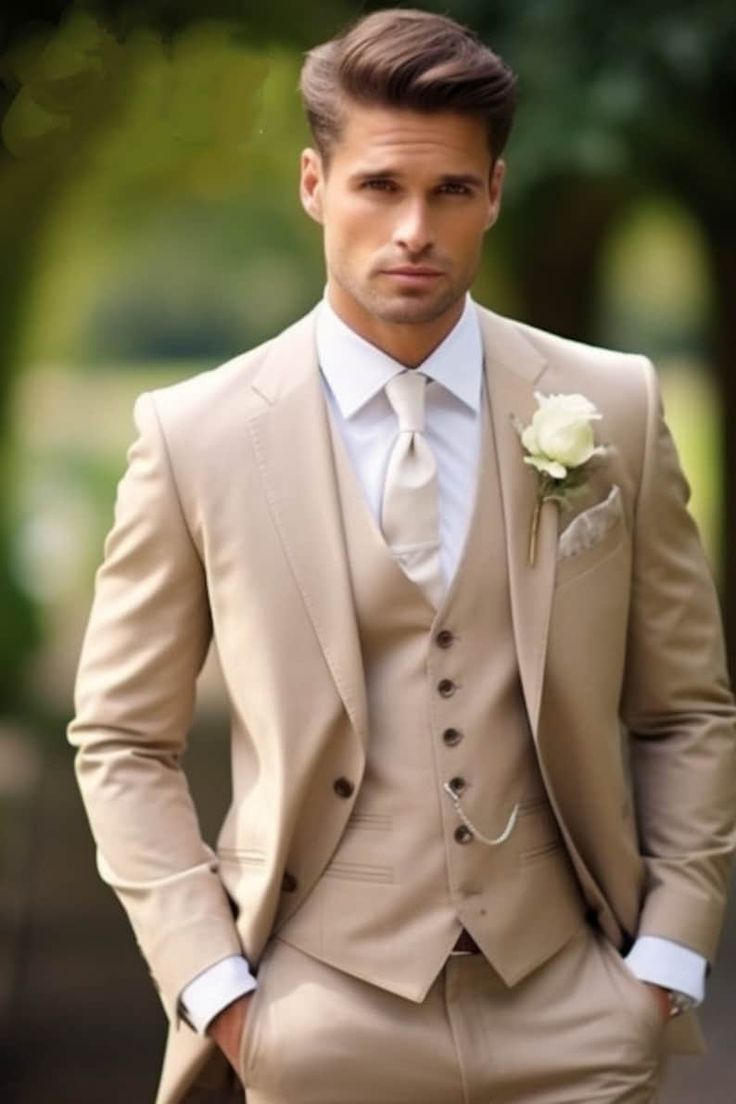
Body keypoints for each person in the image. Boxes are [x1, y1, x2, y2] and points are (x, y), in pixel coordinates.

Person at [67, 9, 736, 1104]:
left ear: (494, 195)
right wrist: (217, 991)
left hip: (573, 1015)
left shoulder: (611, 405)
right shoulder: (193, 435)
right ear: (312, 185)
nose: (413, 229)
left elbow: (685, 710)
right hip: (313, 1022)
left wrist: (666, 956)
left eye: (450, 192)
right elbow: (122, 739)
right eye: (379, 186)